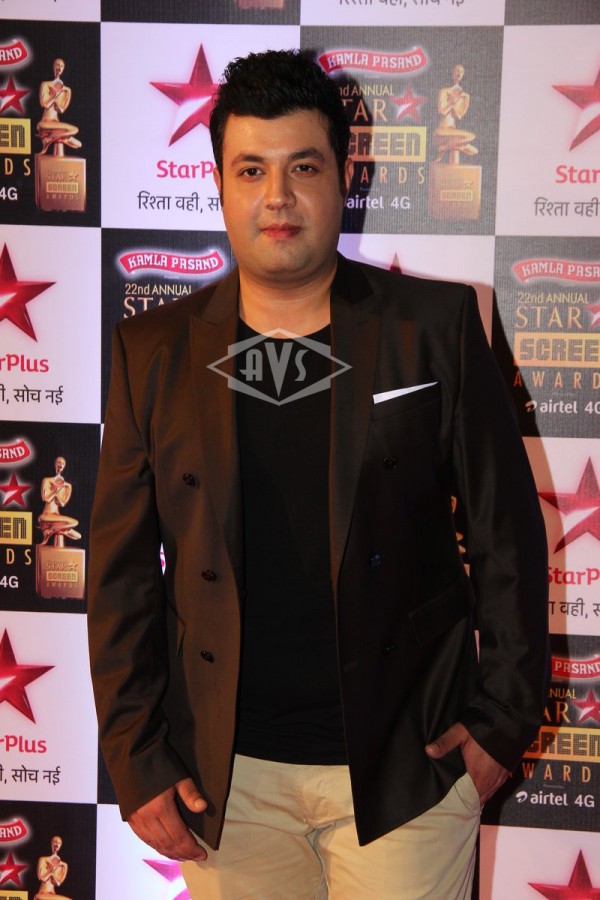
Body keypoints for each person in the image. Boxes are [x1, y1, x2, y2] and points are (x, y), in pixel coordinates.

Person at [88, 50, 549, 899]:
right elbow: (119, 578)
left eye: (303, 167)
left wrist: (502, 721)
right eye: (251, 170)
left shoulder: (435, 326)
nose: (278, 197)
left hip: (408, 768)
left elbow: (507, 537)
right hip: (226, 782)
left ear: (345, 176)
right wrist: (135, 753)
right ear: (217, 183)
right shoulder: (151, 351)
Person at [34, 835, 71, 899]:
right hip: (42, 893)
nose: (57, 844)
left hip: (52, 894)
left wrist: (53, 872)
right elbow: (42, 878)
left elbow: (58, 884)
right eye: (55, 842)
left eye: (59, 843)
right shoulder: (43, 859)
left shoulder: (64, 865)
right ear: (51, 843)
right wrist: (51, 871)